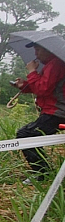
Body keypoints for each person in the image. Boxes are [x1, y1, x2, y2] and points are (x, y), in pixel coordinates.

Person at [13, 41, 65, 184]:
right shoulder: (51, 65)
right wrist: (25, 85)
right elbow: (44, 87)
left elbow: (43, 89)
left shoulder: (55, 65)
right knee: (30, 135)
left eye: (38, 50)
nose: (36, 54)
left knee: (26, 135)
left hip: (57, 112)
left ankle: (42, 174)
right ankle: (43, 172)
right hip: (53, 110)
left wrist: (32, 72)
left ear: (48, 49)